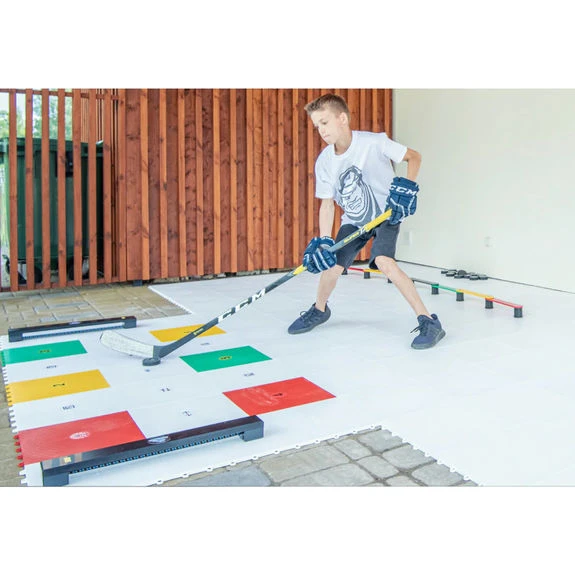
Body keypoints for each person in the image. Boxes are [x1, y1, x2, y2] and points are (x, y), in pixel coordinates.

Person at [287, 93, 446, 350]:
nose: (321, 130)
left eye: (324, 122)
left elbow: (414, 157)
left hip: (387, 214)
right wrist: (325, 240)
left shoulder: (374, 143)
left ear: (342, 118)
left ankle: (429, 321)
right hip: (355, 220)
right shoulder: (325, 161)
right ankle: (319, 310)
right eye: (317, 126)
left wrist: (408, 187)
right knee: (332, 266)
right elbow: (327, 204)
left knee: (384, 261)